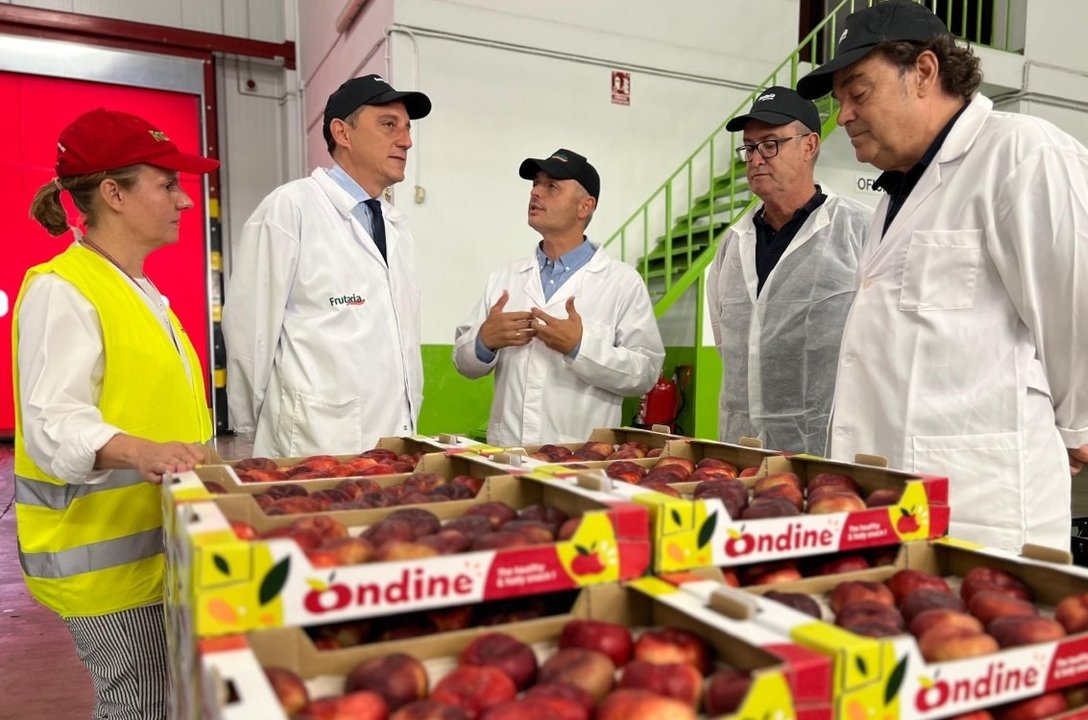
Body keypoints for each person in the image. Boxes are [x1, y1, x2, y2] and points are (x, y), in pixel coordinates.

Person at [796, 0, 1088, 551]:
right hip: (892, 501)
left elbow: (1085, 315)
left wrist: (1075, 429)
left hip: (981, 505)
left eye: (858, 93)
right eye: (839, 103)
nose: (845, 116)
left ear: (924, 72)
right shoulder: (892, 198)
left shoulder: (1020, 155)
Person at [13, 108, 216, 719]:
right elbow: (52, 423)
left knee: (169, 701)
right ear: (113, 194)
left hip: (157, 554)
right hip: (108, 569)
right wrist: (140, 450)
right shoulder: (63, 288)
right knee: (141, 707)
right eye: (167, 184)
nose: (184, 200)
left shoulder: (140, 290)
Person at [223, 75, 431, 456]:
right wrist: (254, 428)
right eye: (389, 125)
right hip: (312, 442)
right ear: (342, 132)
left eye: (407, 129)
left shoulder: (396, 227)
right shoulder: (290, 209)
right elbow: (248, 333)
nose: (406, 140)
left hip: (392, 439)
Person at [452, 149, 664, 445]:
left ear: (585, 206)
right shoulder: (505, 277)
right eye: (535, 184)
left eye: (551, 186)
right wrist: (484, 341)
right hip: (508, 455)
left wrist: (580, 347)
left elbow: (645, 373)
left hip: (582, 457)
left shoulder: (622, 282)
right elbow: (464, 362)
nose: (535, 192)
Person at [706, 87, 870, 453]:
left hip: (827, 454)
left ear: (810, 146)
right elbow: (728, 343)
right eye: (748, 148)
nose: (755, 159)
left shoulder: (859, 230)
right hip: (741, 449)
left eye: (770, 145)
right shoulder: (733, 244)